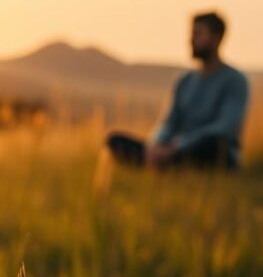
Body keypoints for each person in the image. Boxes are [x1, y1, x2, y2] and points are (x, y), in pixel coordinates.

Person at [106, 10, 249, 170]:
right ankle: (159, 160)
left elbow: (226, 127)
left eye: (198, 34)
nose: (191, 40)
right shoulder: (185, 81)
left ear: (216, 39)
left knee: (214, 143)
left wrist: (179, 145)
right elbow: (169, 121)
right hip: (175, 149)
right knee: (114, 140)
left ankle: (163, 163)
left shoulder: (235, 80)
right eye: (191, 34)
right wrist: (156, 144)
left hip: (207, 151)